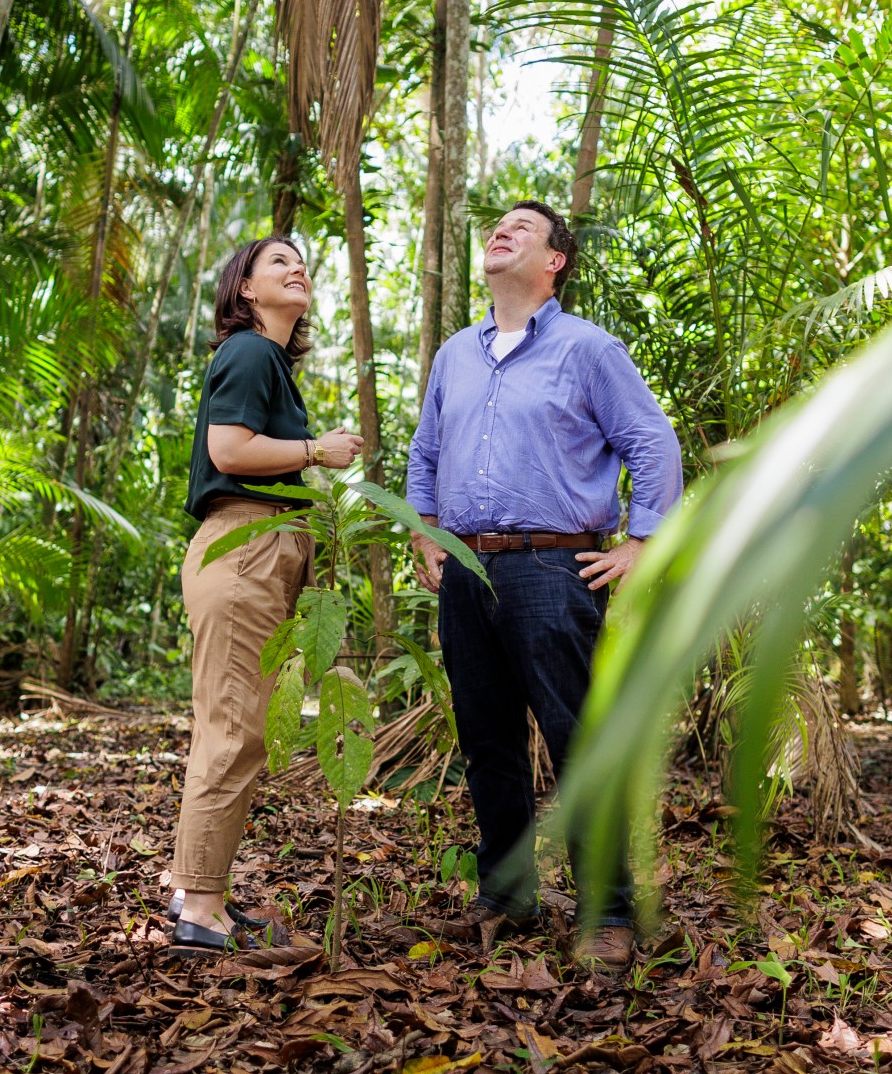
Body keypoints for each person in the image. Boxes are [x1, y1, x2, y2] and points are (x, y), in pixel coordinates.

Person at [406, 199, 683, 972]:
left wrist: (641, 542)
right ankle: (506, 897)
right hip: (465, 569)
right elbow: (426, 449)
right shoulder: (455, 354)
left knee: (576, 738)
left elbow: (652, 442)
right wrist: (423, 531)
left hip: (552, 567)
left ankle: (608, 911)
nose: (500, 230)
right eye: (495, 225)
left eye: (521, 228)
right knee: (487, 740)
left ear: (554, 260)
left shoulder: (588, 349)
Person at [167, 235, 362, 956]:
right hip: (243, 550)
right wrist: (317, 452)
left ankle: (203, 897)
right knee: (233, 729)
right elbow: (229, 451)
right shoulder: (249, 352)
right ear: (245, 289)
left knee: (238, 726)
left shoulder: (268, 363)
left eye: (299, 260)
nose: (295, 268)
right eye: (276, 262)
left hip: (259, 554)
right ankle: (201, 911)